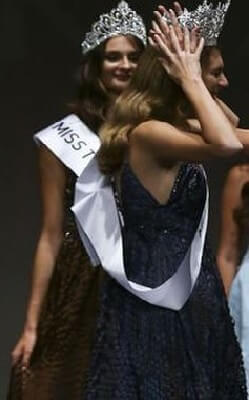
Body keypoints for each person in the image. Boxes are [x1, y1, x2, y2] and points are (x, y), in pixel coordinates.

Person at [81, 5, 245, 396]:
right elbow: (226, 143)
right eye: (216, 73)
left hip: (195, 290)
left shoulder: (180, 127)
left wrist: (195, 77)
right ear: (180, 77)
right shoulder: (149, 134)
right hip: (158, 293)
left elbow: (234, 127)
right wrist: (191, 76)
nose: (224, 82)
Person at [8, 2, 146, 398]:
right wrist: (31, 325)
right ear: (96, 66)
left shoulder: (162, 130)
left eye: (134, 57)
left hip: (145, 274)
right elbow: (51, 234)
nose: (124, 65)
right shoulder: (62, 138)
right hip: (82, 279)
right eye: (113, 56)